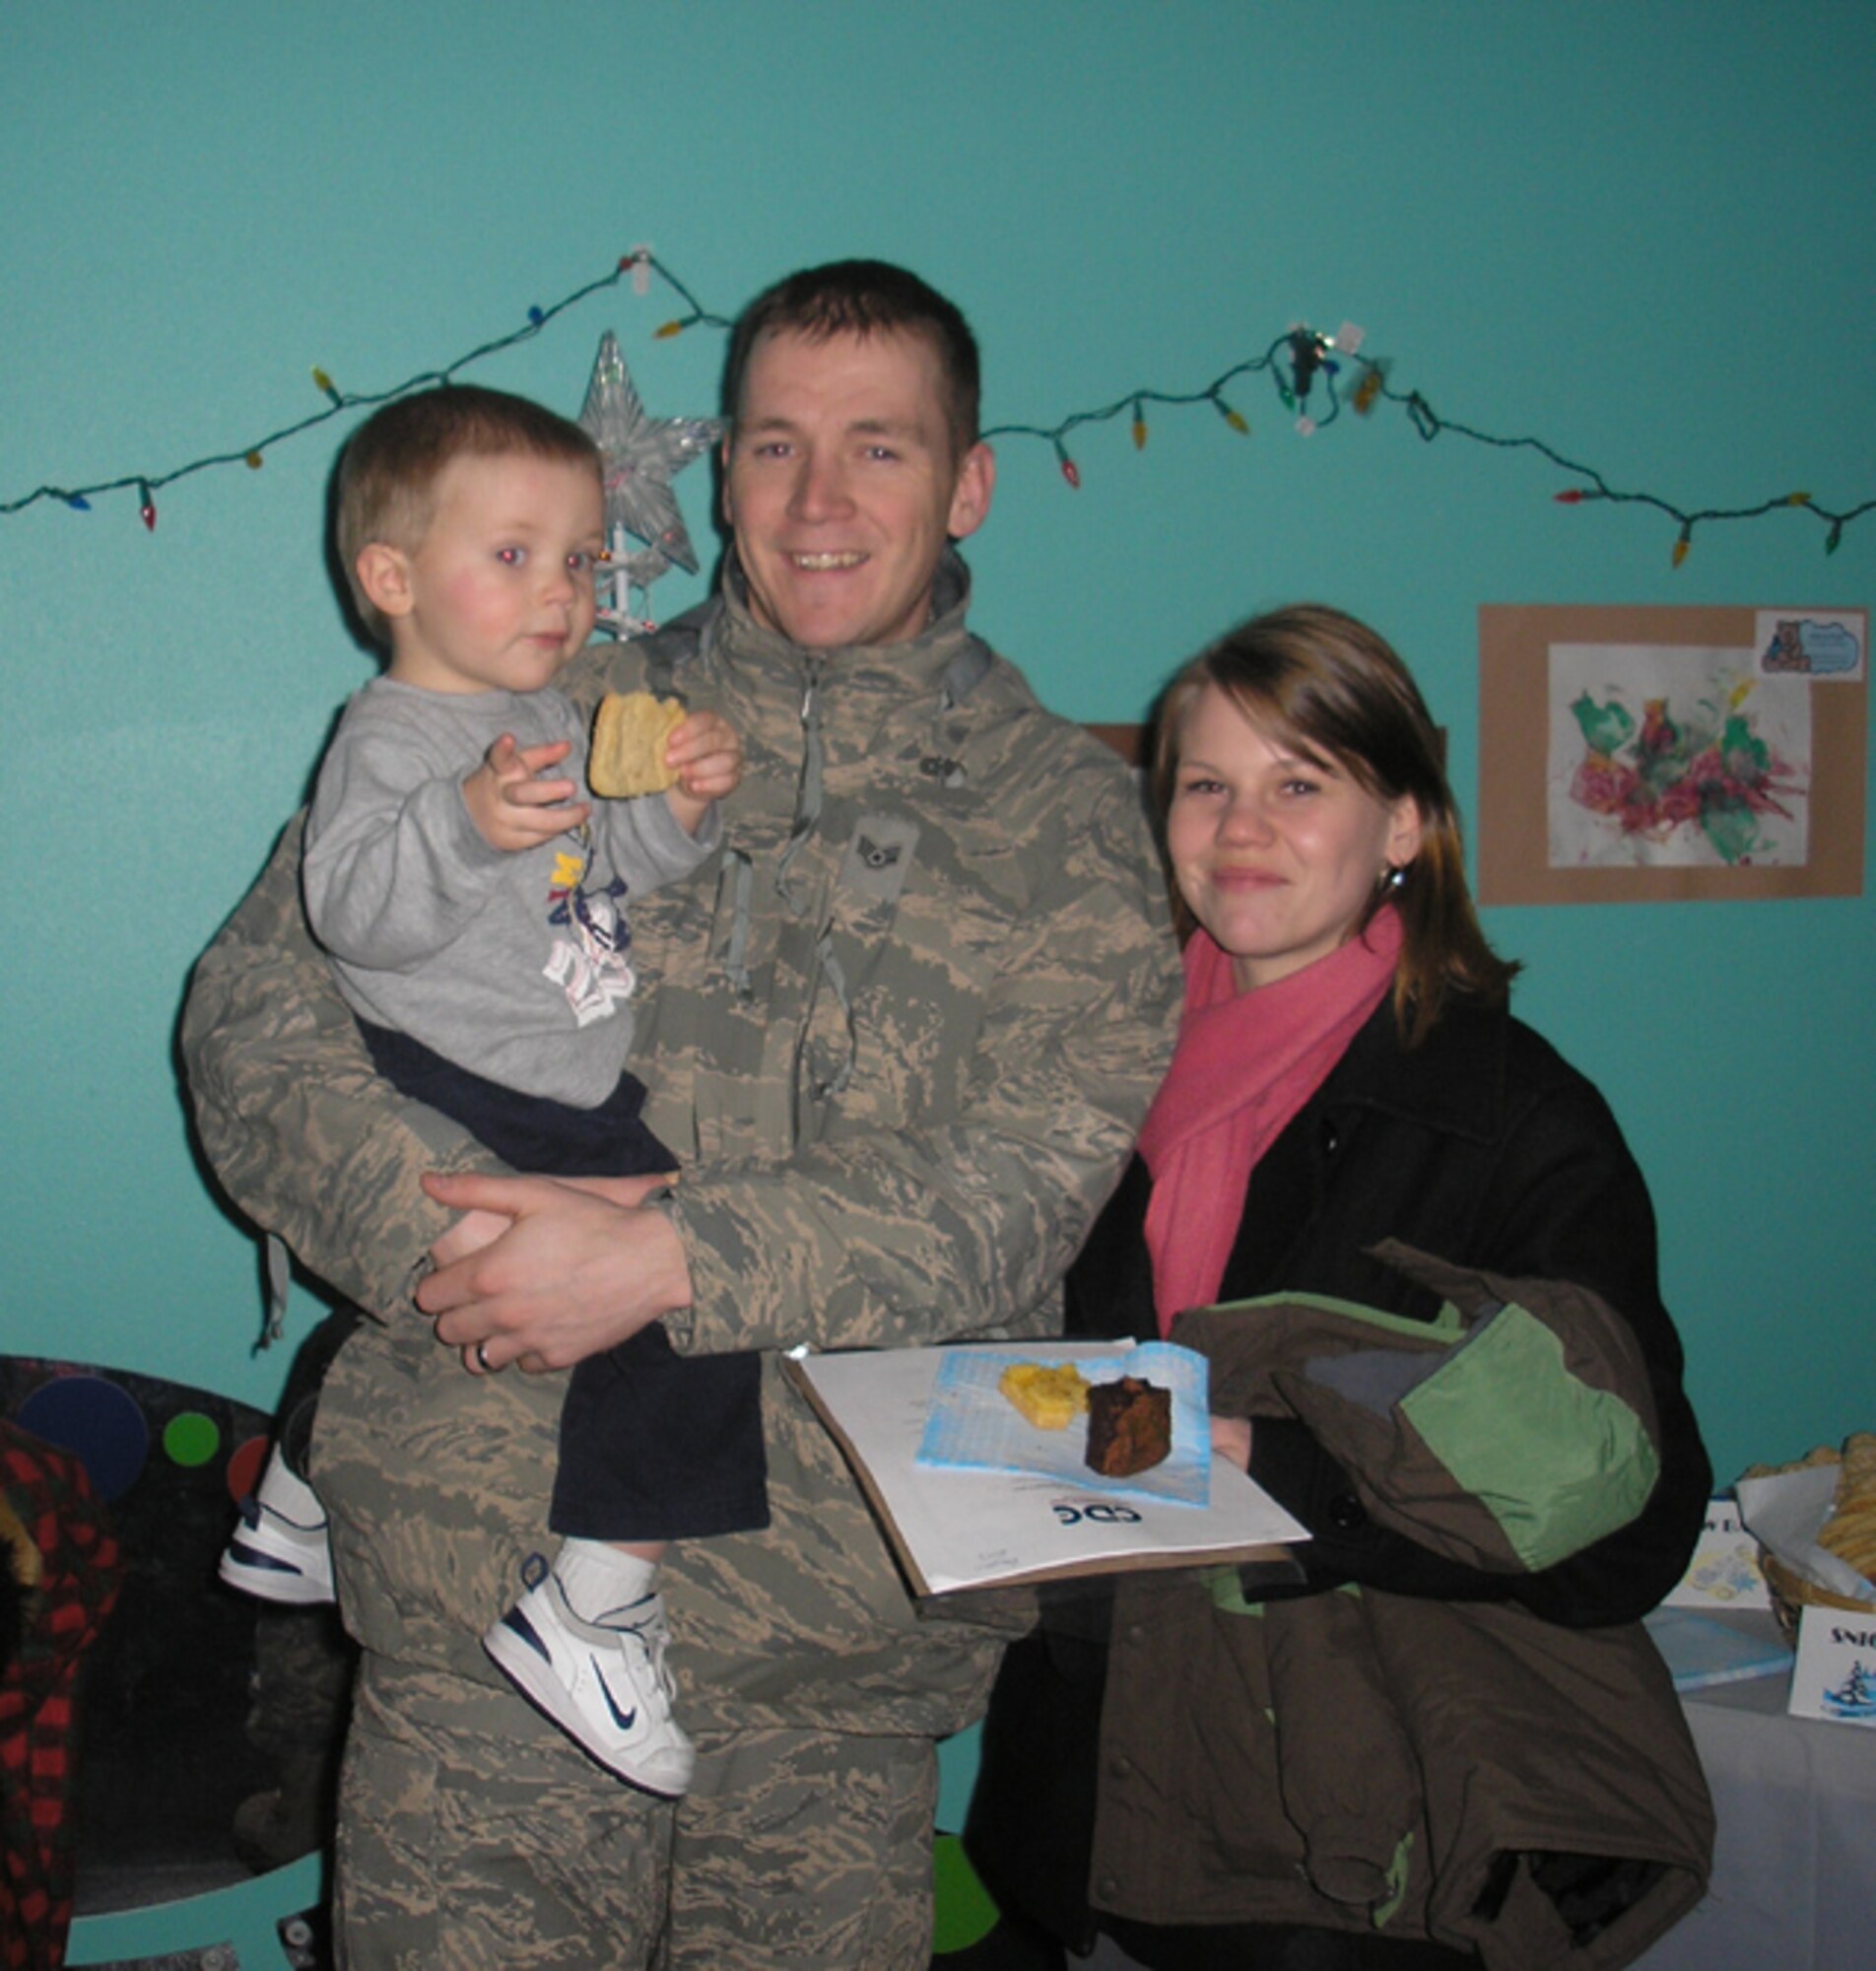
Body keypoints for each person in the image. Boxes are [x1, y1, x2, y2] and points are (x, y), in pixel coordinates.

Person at [180, 259, 1183, 1968]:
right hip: (481, 1589)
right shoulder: (529, 701)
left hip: (836, 1653)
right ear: (721, 472)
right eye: (775, 444)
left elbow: (1030, 1177)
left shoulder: (1073, 821)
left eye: (878, 448)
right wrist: (471, 1242)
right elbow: (254, 1020)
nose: (816, 501)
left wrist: (669, 1262)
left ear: (968, 483)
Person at [966, 605, 1714, 1971]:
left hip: (1341, 1857)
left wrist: (1276, 1471)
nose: (1241, 828)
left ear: (1406, 825)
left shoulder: (1510, 1121)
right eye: (1207, 785)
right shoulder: (1089, 1084)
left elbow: (1628, 1533)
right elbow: (1077, 1411)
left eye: (1300, 784)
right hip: (1084, 1813)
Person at [216, 384, 754, 1800]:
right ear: (391, 579)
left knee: (560, 1278)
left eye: (578, 559)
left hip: (556, 1064)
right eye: (512, 556)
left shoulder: (550, 713)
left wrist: (676, 808)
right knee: (694, 1305)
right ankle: (597, 1603)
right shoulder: (394, 735)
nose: (560, 592)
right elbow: (350, 910)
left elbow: (609, 866)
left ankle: (299, 1492)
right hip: (471, 1069)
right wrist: (460, 825)